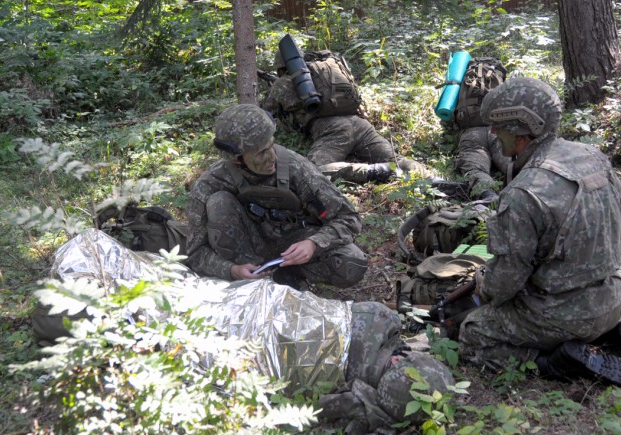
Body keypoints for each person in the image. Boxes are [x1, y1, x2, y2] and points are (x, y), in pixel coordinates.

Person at [34, 228, 455, 435]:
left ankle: (84, 292)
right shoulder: (358, 380)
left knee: (167, 305)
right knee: (173, 307)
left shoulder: (377, 324)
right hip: (256, 312)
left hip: (257, 317)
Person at [455, 77, 621, 384]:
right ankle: (607, 336)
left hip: (560, 314)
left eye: (498, 127)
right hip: (610, 299)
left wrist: (484, 285)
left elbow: (505, 283)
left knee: (472, 333)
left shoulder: (523, 192)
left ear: (520, 129)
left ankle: (553, 362)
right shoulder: (591, 156)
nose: (494, 134)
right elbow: (620, 207)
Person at [185, 103, 368, 290]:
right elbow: (195, 254)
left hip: (293, 244)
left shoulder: (296, 168)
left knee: (351, 263)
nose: (272, 157)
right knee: (218, 202)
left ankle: (289, 276)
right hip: (246, 253)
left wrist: (313, 243)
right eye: (261, 153)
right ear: (236, 159)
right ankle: (253, 283)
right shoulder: (210, 184)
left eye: (271, 145)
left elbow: (348, 218)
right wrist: (232, 270)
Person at [262, 50, 428, 184]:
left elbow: (266, 112)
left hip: (334, 131)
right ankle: (430, 177)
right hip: (360, 124)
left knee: (313, 172)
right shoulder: (320, 72)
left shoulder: (283, 83)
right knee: (397, 160)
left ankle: (371, 171)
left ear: (280, 66)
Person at [444, 56, 514, 203]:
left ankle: (488, 195)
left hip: (471, 134)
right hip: (498, 130)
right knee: (512, 163)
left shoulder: (457, 83)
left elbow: (447, 116)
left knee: (475, 169)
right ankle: (530, 187)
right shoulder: (499, 80)